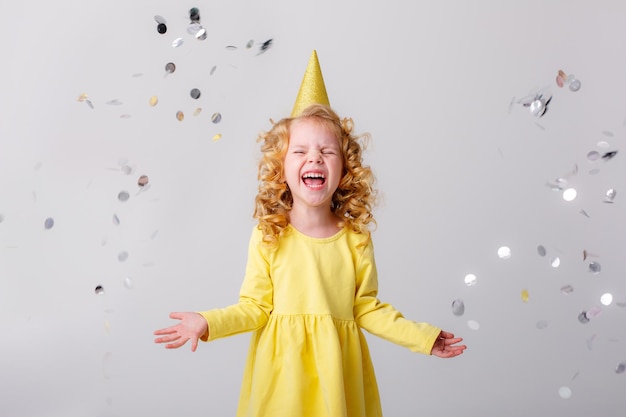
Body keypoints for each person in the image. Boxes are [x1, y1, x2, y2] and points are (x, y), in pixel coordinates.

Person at [154, 50, 466, 417]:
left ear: (344, 168)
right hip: (282, 378)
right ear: (281, 168)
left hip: (338, 378)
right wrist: (208, 322)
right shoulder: (269, 235)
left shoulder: (355, 239)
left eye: (327, 152)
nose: (314, 158)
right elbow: (254, 307)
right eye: (300, 151)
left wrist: (422, 337)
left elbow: (367, 309)